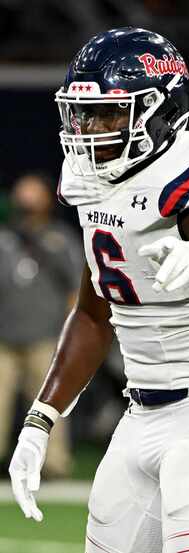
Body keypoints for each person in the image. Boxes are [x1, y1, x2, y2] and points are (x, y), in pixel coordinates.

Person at [6, 27, 189, 553]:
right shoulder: (89, 182)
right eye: (83, 115)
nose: (91, 130)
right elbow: (91, 313)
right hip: (141, 413)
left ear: (156, 110)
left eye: (108, 114)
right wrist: (41, 418)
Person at [0, 172, 83, 477]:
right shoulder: (4, 240)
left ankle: (54, 465)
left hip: (46, 338)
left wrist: (71, 334)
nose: (27, 203)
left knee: (49, 407)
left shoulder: (60, 240)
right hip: (4, 339)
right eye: (22, 196)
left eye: (33, 196)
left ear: (47, 200)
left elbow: (76, 289)